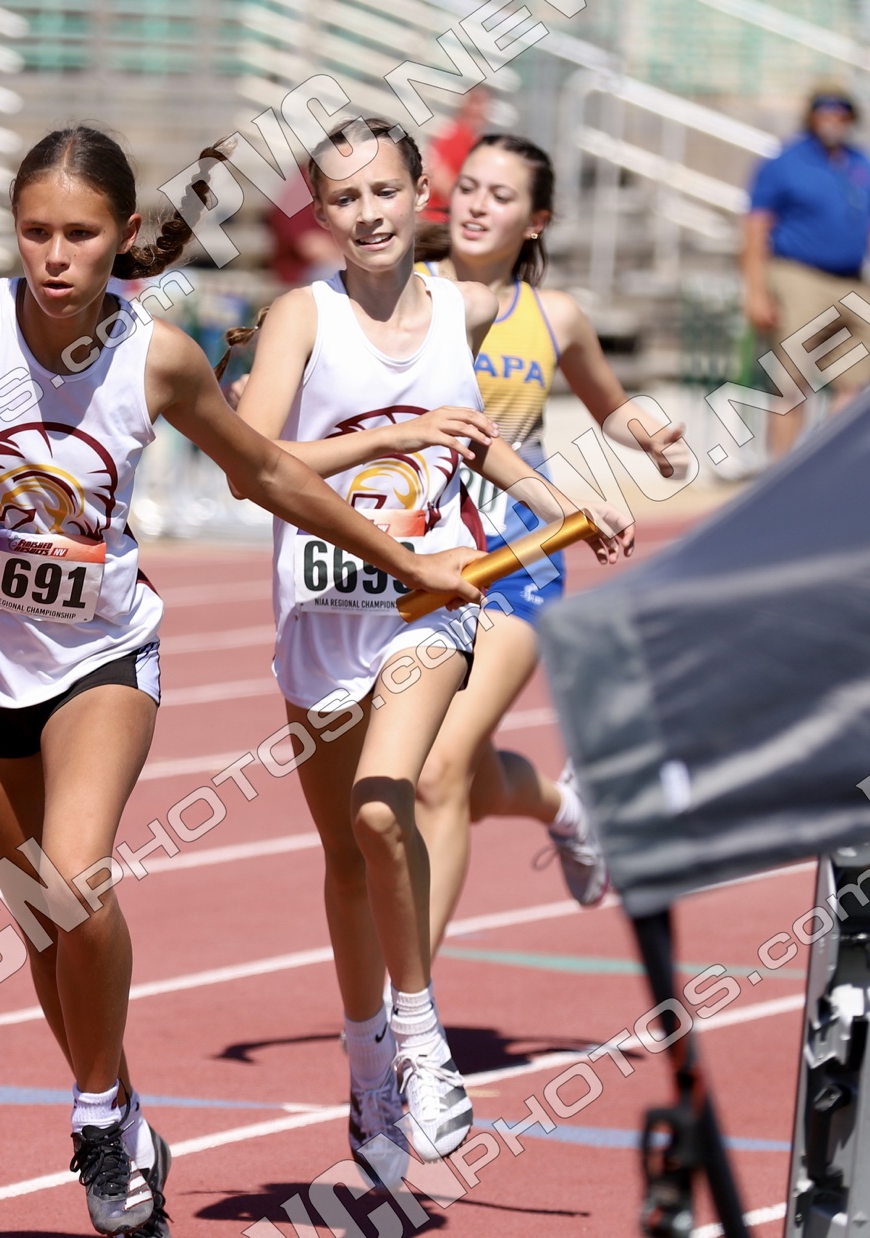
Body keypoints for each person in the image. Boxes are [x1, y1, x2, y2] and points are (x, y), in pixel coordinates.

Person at [0, 125, 488, 1238]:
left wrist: (406, 562)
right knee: (42, 921)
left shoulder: (157, 357)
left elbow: (268, 471)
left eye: (79, 234)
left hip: (99, 654)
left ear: (123, 235)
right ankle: (127, 1109)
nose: (55, 256)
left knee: (75, 878)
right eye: (35, 232)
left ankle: (95, 1116)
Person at [225, 117, 626, 1188]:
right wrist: (389, 436)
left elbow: (479, 441)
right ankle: (368, 1070)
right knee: (345, 865)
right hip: (321, 616)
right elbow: (248, 463)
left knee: (381, 806)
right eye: (343, 197)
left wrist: (564, 504)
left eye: (384, 192)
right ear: (322, 211)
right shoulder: (300, 315)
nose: (366, 213)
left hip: (430, 601)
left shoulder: (457, 308)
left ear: (419, 197)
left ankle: (418, 1035)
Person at [414, 133, 683, 930]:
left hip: (519, 549)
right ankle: (569, 809)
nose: (476, 205)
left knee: (437, 772)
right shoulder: (406, 291)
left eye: (501, 196)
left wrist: (650, 434)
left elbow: (609, 404)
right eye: (469, 187)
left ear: (536, 221)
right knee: (455, 780)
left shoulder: (553, 314)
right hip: (415, 543)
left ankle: (408, 998)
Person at [742, 86, 870, 457]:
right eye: (825, 110)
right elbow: (754, 229)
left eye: (841, 112)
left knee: (857, 381)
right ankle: (780, 469)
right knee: (792, 381)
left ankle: (829, 462)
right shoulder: (785, 162)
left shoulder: (861, 163)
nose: (833, 118)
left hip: (851, 278)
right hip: (798, 274)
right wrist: (755, 292)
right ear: (811, 115)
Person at [424, 87, 494, 224]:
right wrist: (468, 202)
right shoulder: (457, 136)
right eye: (476, 102)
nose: (480, 109)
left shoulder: (471, 139)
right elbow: (439, 175)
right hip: (440, 218)